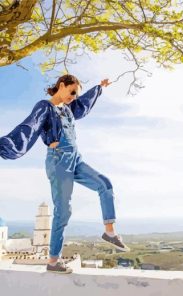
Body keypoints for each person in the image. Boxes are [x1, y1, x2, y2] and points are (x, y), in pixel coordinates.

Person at [0, 74, 130, 274]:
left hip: (75, 158)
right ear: (62, 85)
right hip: (59, 160)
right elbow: (28, 127)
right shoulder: (45, 107)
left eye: (75, 95)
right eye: (71, 92)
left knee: (105, 184)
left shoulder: (68, 109)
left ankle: (109, 232)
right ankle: (53, 261)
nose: (73, 97)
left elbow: (83, 105)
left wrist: (99, 88)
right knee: (63, 211)